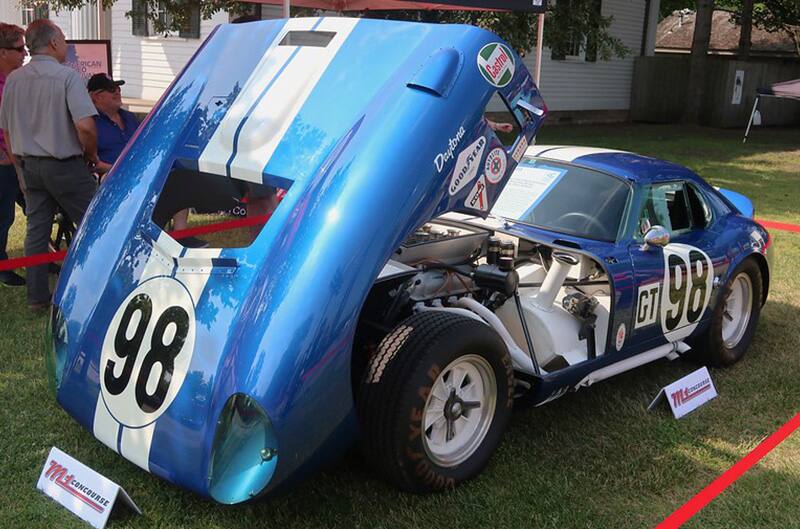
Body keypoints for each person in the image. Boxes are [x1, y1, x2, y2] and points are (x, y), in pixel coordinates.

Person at [0, 19, 99, 312]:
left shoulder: (15, 79)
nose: (66, 46)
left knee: (37, 231)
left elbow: (6, 130)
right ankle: (92, 289)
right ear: (54, 42)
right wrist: (90, 154)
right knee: (93, 224)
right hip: (64, 164)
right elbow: (86, 127)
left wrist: (19, 168)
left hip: (29, 165)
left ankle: (37, 297)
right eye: (64, 40)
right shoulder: (67, 77)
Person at [87, 72, 207, 248]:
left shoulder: (128, 117)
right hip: (111, 175)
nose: (118, 92)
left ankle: (180, 235)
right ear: (97, 96)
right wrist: (118, 170)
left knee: (178, 176)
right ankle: (132, 239)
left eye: (119, 88)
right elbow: (91, 164)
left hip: (142, 170)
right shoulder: (90, 124)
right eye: (112, 89)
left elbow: (147, 145)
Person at [0, 23, 26, 287]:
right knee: (3, 216)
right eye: (19, 49)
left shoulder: (16, 81)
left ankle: (39, 258)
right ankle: (3, 266)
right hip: (6, 162)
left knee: (36, 209)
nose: (24, 54)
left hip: (23, 158)